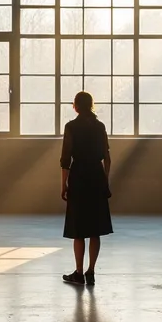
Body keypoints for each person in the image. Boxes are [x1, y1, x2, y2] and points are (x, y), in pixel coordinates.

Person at [60, 91, 113, 286]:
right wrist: (105, 180)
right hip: (96, 176)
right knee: (95, 228)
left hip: (79, 176)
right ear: (92, 105)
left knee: (79, 228)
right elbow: (107, 158)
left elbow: (65, 160)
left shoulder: (71, 127)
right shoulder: (100, 127)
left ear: (75, 106)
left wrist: (63, 184)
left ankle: (79, 272)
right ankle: (91, 272)